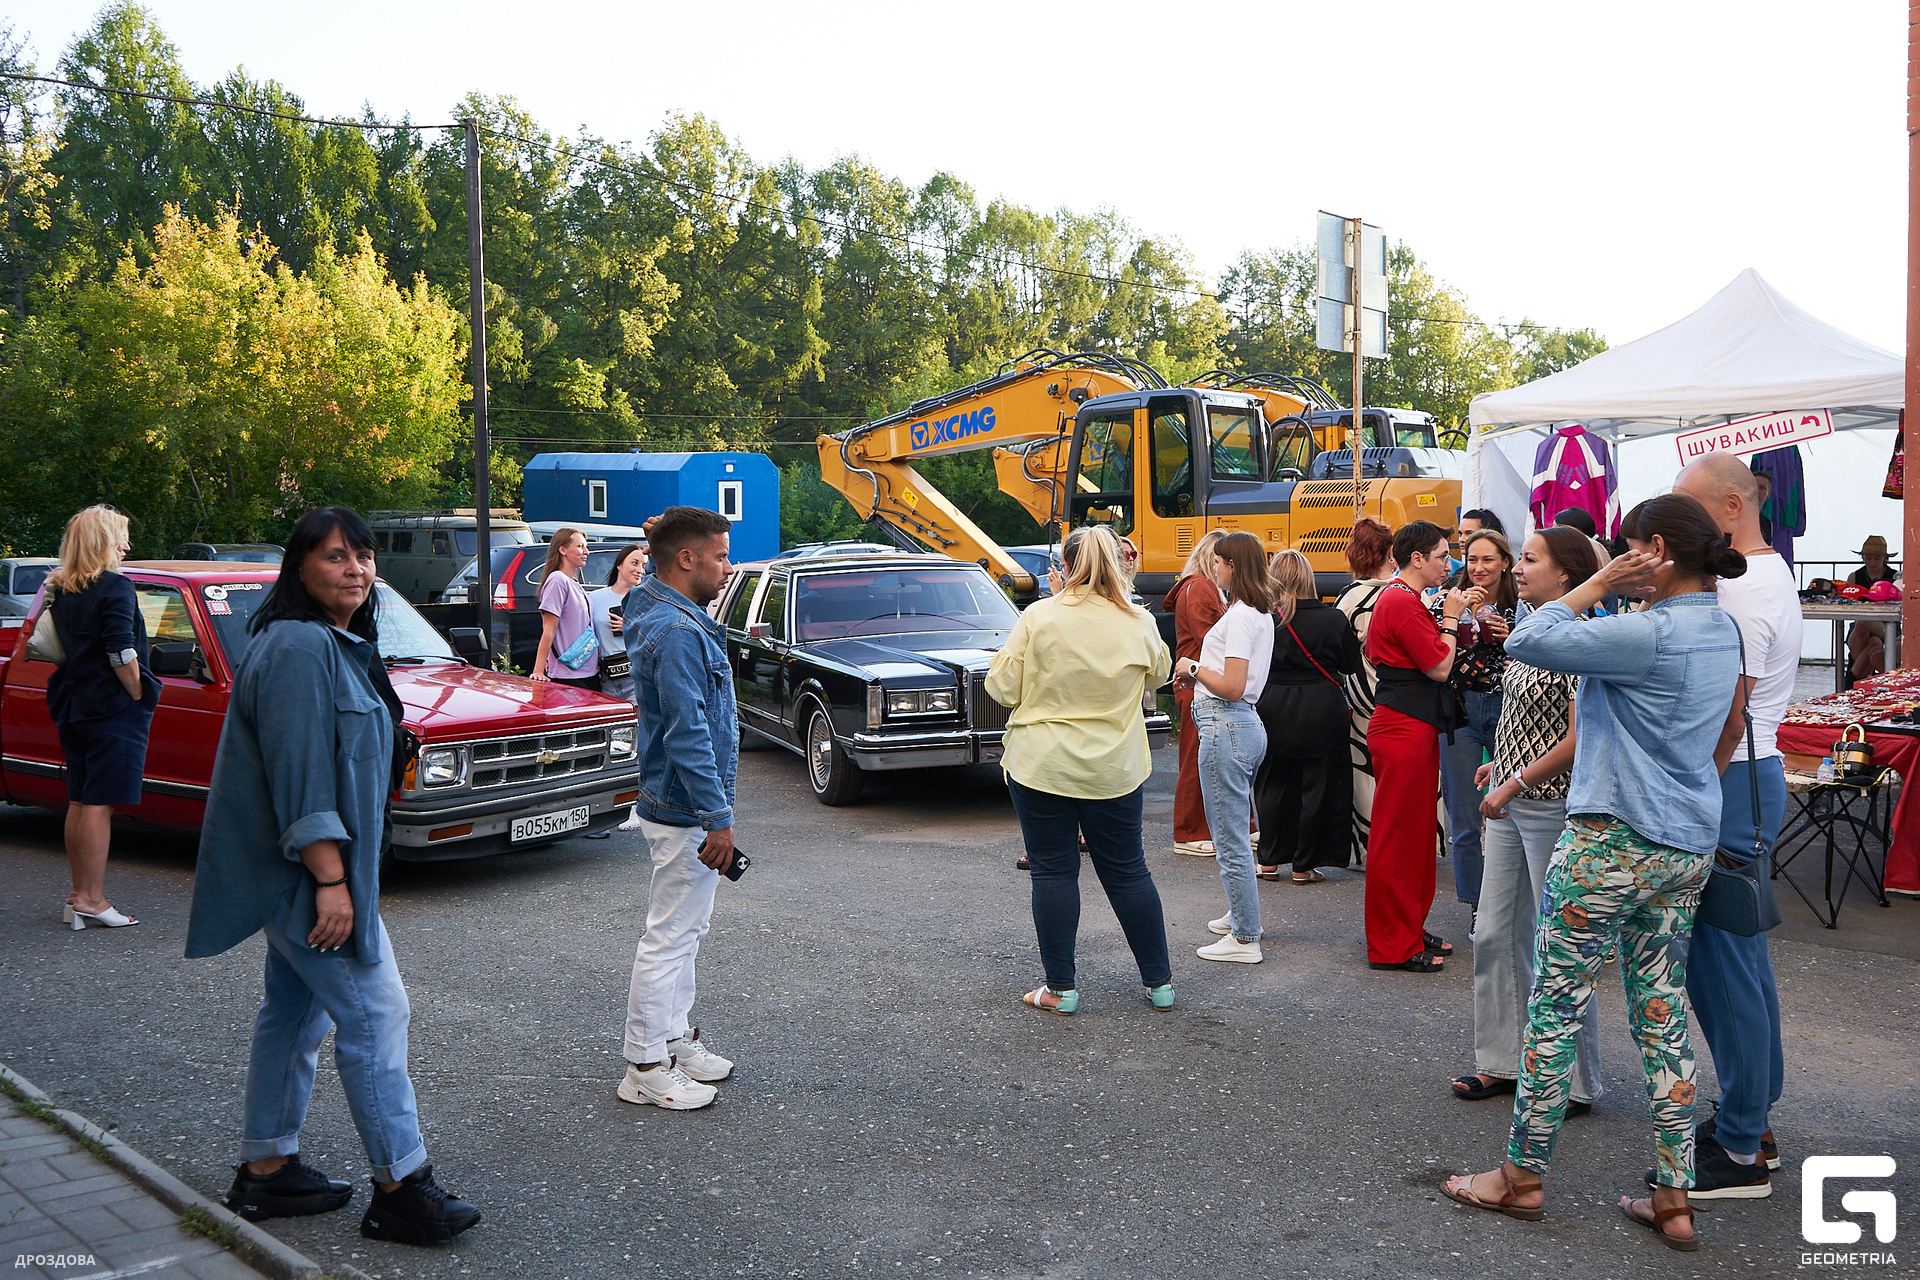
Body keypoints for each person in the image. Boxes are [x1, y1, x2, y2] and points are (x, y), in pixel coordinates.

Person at [1442, 493, 1743, 1252]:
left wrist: (1600, 582)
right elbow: (1732, 726)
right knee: (1663, 1015)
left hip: (1609, 840)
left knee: (1554, 1006)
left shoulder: (1645, 632)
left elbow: (1532, 636)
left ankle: (1521, 1176)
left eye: (1626, 548)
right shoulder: (1721, 629)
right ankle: (1674, 1195)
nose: (1614, 558)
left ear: (1654, 552)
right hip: (1683, 846)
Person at [188, 508, 480, 1244]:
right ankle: (401, 1188)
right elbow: (300, 777)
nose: (355, 568)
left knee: (294, 1015)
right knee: (376, 1012)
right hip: (305, 878)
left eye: (363, 556)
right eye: (334, 557)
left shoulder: (333, 642)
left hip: (315, 875)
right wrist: (329, 879)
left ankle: (267, 1171)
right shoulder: (295, 648)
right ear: (299, 569)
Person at [1674, 454, 1802, 1197]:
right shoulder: (1758, 573)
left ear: (1729, 505)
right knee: (1733, 963)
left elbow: (1730, 714)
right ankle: (1751, 1121)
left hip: (1728, 779)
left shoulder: (1746, 587)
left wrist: (1688, 787)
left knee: (1723, 967)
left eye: (1687, 508)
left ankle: (1745, 1142)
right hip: (1739, 776)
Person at [988, 526, 1175, 1014]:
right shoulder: (1138, 620)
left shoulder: (1040, 616)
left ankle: (1061, 989)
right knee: (1128, 871)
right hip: (1114, 766)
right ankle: (1160, 984)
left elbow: (1003, 688)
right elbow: (1159, 674)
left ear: (1065, 569)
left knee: (1052, 872)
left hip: (1042, 762)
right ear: (1117, 564)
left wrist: (1057, 605)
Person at [1449, 527, 1603, 1114]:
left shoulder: (1578, 638)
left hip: (1550, 804)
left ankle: (1577, 1081)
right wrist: (1499, 765)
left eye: (1530, 559)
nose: (1518, 567)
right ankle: (1502, 1063)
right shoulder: (1531, 628)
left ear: (1566, 574)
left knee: (1560, 943)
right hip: (1512, 800)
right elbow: (1521, 715)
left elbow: (1576, 736)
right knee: (1492, 934)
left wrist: (1516, 778)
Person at [618, 506, 739, 1111]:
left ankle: (672, 1039)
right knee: (669, 936)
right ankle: (644, 1063)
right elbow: (687, 732)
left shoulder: (668, 613)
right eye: (718, 555)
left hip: (683, 802)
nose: (727, 566)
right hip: (685, 808)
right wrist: (717, 818)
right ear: (686, 559)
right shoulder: (676, 631)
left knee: (687, 930)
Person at [1363, 520, 1478, 972]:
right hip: (1404, 727)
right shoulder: (1400, 600)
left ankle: (1407, 927)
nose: (1449, 564)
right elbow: (1439, 666)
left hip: (1411, 725)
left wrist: (1451, 617)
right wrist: (1450, 617)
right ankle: (1392, 941)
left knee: (1412, 836)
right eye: (1442, 556)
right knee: (1398, 837)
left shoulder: (1404, 598)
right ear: (1417, 559)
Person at [42, 505, 160, 930]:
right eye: (120, 537)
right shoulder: (116, 587)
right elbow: (120, 651)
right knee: (99, 803)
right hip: (112, 706)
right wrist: (137, 692)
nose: (127, 546)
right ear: (101, 543)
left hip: (74, 702)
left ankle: (78, 895)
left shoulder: (63, 589)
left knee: (79, 798)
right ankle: (92, 899)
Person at [1172, 530, 1276, 963]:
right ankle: (1241, 914)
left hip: (1227, 722)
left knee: (1229, 837)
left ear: (1232, 565)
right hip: (1244, 725)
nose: (1214, 567)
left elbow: (1232, 686)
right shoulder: (1258, 611)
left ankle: (1244, 937)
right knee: (1233, 830)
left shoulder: (1239, 615)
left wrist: (1191, 665)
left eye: (1218, 562)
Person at [1254, 549, 1361, 884]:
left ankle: (1268, 860)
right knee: (1318, 788)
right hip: (1321, 708)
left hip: (1273, 706)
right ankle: (1304, 864)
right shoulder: (1332, 619)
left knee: (1272, 784)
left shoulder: (1265, 619)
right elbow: (1349, 666)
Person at [1433, 529, 1518, 930]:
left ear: (1505, 561)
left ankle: (1516, 904)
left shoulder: (1526, 605)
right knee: (1464, 816)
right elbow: (1433, 652)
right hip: (1461, 711)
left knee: (1515, 808)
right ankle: (1477, 908)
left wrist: (1513, 636)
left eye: (1487, 560)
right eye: (1471, 560)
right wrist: (1453, 616)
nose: (1479, 568)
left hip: (1509, 708)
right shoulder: (1448, 600)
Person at [1162, 531, 1227, 856]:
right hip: (1198, 683)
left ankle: (1195, 830)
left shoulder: (1195, 586)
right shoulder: (1201, 587)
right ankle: (1187, 831)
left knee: (1204, 758)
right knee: (1195, 760)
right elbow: (1211, 637)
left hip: (1196, 681)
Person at [1335, 517, 1396, 866]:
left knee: (1365, 775)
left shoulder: (1349, 598)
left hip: (1362, 698)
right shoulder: (1404, 591)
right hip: (1399, 696)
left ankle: (1371, 848)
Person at [585, 543, 648, 839]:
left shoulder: (644, 599)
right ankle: (603, 810)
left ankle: (637, 807)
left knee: (638, 741)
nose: (639, 569)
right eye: (634, 563)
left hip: (636, 676)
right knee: (610, 744)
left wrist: (630, 626)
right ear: (620, 564)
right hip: (606, 678)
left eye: (643, 565)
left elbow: (656, 637)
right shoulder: (594, 599)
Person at [530, 527, 599, 689]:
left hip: (588, 671)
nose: (586, 551)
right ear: (562, 549)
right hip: (569, 675)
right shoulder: (557, 580)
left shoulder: (573, 582)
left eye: (586, 546)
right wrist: (538, 670)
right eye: (580, 546)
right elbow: (549, 629)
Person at [1846, 535, 1896, 680]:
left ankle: (1851, 681)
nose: (1872, 562)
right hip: (1863, 628)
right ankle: (1855, 681)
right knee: (1873, 643)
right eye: (1868, 558)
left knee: (1863, 622)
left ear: (1884, 559)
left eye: (1877, 558)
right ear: (1863, 558)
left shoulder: (1894, 577)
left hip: (1887, 623)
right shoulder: (1854, 577)